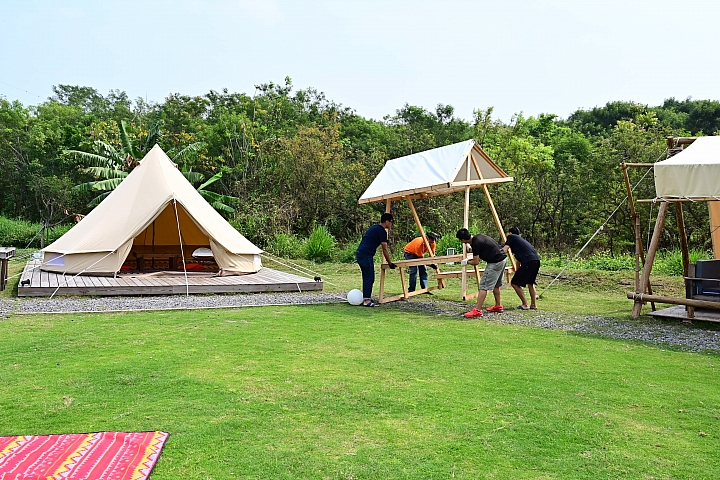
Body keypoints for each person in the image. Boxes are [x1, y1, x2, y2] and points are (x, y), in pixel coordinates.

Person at [456, 228, 507, 318]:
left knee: (483, 286)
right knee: (496, 285)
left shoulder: (476, 243)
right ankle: (498, 306)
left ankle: (478, 310)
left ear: (463, 240)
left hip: (495, 262)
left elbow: (476, 262)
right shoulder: (478, 237)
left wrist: (467, 261)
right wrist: (470, 247)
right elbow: (481, 248)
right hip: (503, 258)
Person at [355, 213, 396, 307]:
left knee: (368, 277)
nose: (391, 224)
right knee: (369, 277)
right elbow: (384, 249)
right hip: (365, 255)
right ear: (387, 221)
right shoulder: (382, 231)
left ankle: (367, 297)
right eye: (391, 222)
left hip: (362, 253)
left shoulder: (375, 228)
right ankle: (366, 301)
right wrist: (390, 263)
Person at [503, 226, 540, 310]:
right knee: (530, 282)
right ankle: (533, 305)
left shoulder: (511, 237)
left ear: (510, 233)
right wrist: (517, 271)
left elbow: (504, 250)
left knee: (514, 283)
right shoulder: (521, 241)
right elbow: (518, 260)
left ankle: (525, 304)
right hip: (536, 260)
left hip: (528, 262)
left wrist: (495, 255)